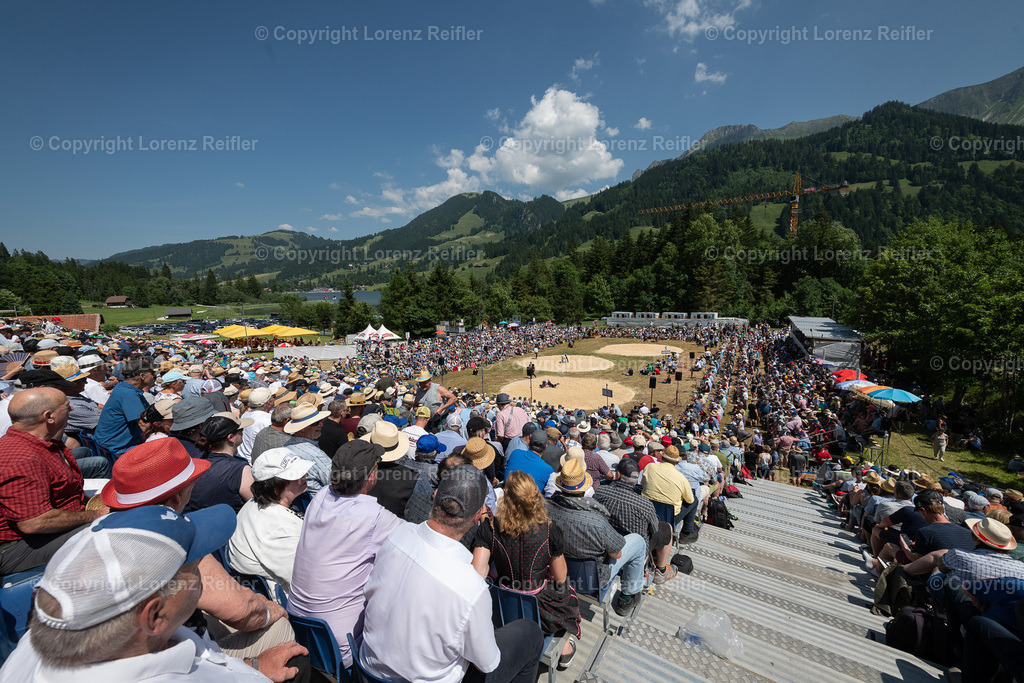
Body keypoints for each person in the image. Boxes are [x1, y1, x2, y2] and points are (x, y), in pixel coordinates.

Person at [0, 505, 308, 682]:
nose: (201, 574)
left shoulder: (32, 645)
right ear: (155, 614)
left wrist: (254, 666)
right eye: (191, 568)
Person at [100, 438, 300, 665]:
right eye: (191, 482)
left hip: (130, 651)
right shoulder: (175, 541)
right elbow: (242, 611)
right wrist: (270, 611)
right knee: (280, 627)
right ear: (177, 497)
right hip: (174, 662)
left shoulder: (102, 536)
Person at [360, 465, 544, 682]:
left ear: (435, 495)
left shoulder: (395, 535)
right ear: (478, 517)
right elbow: (486, 663)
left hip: (368, 671)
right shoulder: (472, 588)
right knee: (531, 633)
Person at [289, 440, 407, 669]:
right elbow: (415, 542)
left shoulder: (322, 495)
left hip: (299, 625)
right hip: (339, 647)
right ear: (371, 476)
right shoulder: (374, 517)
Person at [471, 471, 582, 667]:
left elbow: (477, 574)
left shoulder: (490, 527)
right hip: (538, 608)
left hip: (500, 605)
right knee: (567, 594)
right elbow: (560, 577)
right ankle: (563, 648)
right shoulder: (549, 529)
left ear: (506, 499)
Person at [0, 387, 109, 575]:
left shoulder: (39, 443)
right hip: (14, 548)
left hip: (34, 534)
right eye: (67, 407)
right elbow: (33, 523)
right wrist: (95, 514)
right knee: (116, 528)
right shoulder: (24, 459)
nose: (72, 410)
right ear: (48, 417)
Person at [545, 459, 648, 617]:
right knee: (639, 541)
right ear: (583, 488)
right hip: (591, 580)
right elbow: (617, 554)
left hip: (555, 572)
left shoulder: (545, 511)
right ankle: (627, 597)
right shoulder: (596, 520)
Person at [227, 447, 312, 595]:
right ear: (275, 488)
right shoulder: (278, 528)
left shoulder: (255, 503)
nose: (305, 475)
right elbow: (306, 579)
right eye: (296, 475)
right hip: (284, 599)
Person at [184, 412, 256, 513]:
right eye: (241, 430)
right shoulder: (241, 470)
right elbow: (257, 504)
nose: (242, 433)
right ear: (231, 437)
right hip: (230, 526)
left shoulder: (192, 463)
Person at [94, 357, 156, 458]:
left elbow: (148, 412)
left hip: (112, 445)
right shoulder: (128, 394)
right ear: (142, 376)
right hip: (118, 449)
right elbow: (143, 425)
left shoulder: (124, 387)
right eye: (152, 373)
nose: (154, 376)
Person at [505, 428, 556, 493]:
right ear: (545, 447)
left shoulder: (515, 453)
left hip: (507, 497)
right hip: (529, 502)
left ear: (529, 443)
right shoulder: (548, 470)